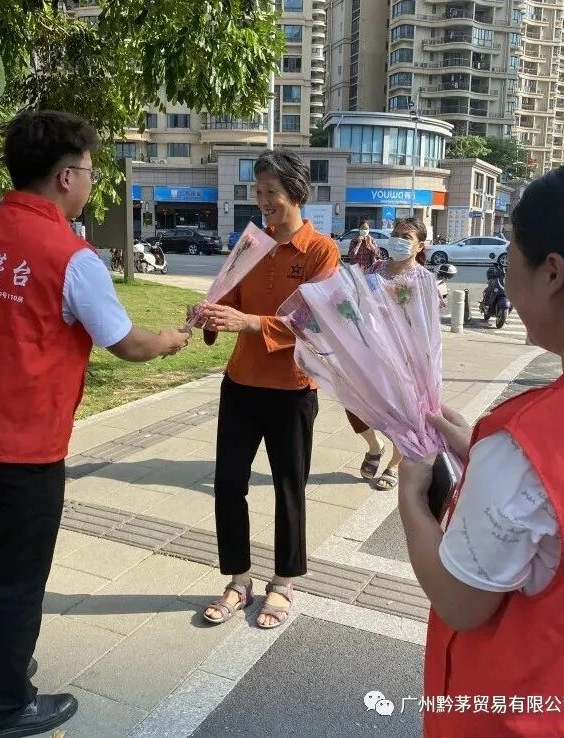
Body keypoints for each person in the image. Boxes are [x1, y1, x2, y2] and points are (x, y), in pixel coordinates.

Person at [0, 110, 189, 738]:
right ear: (66, 176)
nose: (92, 182)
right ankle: (4, 708)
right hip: (18, 446)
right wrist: (172, 340)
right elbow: (126, 344)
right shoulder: (71, 257)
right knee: (15, 580)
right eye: (91, 171)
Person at [399, 155, 564, 736]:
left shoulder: (528, 440)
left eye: (510, 254)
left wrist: (412, 501)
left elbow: (461, 602)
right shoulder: (524, 450)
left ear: (552, 272)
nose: (506, 274)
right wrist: (484, 458)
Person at [190, 150, 340, 629]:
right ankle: (239, 580)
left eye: (270, 192)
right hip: (240, 385)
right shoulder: (249, 243)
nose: (262, 202)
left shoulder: (322, 251)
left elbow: (316, 322)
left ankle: (283, 582)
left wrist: (249, 322)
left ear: (296, 192)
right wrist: (209, 313)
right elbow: (227, 299)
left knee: (288, 488)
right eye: (257, 192)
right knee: (228, 485)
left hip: (292, 389)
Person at [346, 217, 433, 491]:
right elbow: (358, 302)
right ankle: (375, 446)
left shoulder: (424, 280)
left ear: (420, 246)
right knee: (354, 405)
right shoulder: (375, 269)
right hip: (369, 352)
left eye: (406, 237)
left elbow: (428, 327)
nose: (398, 240)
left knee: (401, 414)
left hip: (405, 360)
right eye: (396, 234)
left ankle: (394, 465)